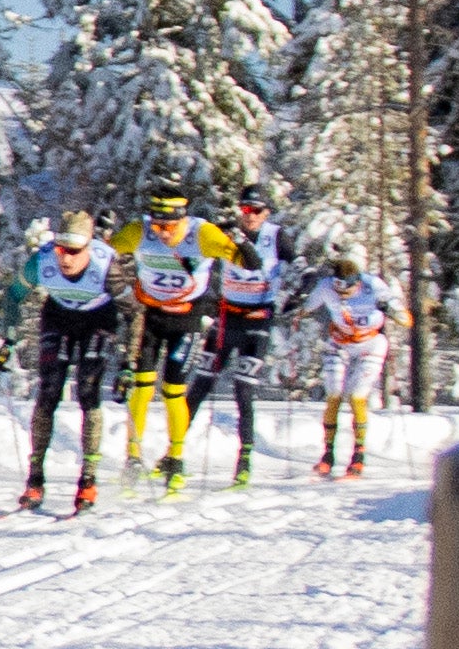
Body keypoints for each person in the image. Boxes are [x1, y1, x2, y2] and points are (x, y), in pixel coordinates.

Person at [125, 179, 238, 494]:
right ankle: (132, 458)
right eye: (157, 225)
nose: (162, 232)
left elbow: (240, 256)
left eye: (169, 226)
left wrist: (239, 248)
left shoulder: (200, 233)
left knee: (174, 391)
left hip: (186, 321)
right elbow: (105, 250)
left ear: (183, 219)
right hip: (152, 317)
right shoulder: (140, 231)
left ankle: (176, 459)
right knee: (141, 388)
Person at [17, 204, 124, 513]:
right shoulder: (43, 260)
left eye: (75, 251)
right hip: (58, 317)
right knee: (48, 392)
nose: (66, 257)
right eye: (62, 249)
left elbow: (133, 310)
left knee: (89, 393)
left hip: (98, 320)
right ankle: (35, 480)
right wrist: (8, 341)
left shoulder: (107, 265)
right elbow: (14, 295)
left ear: (90, 247)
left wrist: (130, 362)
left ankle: (88, 482)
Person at [188, 183, 288, 489]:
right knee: (200, 385)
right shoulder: (227, 234)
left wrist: (292, 295)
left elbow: (296, 267)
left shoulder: (276, 236)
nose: (250, 216)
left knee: (243, 391)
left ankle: (244, 460)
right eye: (245, 209)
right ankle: (172, 452)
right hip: (227, 317)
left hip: (257, 321)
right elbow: (198, 258)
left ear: (266, 212)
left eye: (256, 211)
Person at [311, 255, 393, 477]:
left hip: (370, 344)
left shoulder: (373, 286)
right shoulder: (326, 287)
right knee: (334, 394)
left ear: (357, 282)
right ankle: (328, 455)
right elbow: (306, 306)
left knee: (357, 396)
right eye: (337, 289)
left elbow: (405, 317)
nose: (342, 294)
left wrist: (391, 309)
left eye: (347, 289)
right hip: (339, 344)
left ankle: (358, 456)